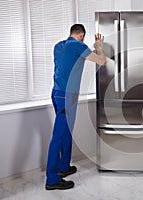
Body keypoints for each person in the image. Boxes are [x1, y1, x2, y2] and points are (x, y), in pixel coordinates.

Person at [45, 24, 106, 190]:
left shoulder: (58, 46)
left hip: (57, 93)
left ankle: (64, 166)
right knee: (58, 135)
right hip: (67, 96)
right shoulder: (78, 45)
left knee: (66, 131)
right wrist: (99, 47)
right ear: (82, 35)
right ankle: (52, 179)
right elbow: (102, 61)